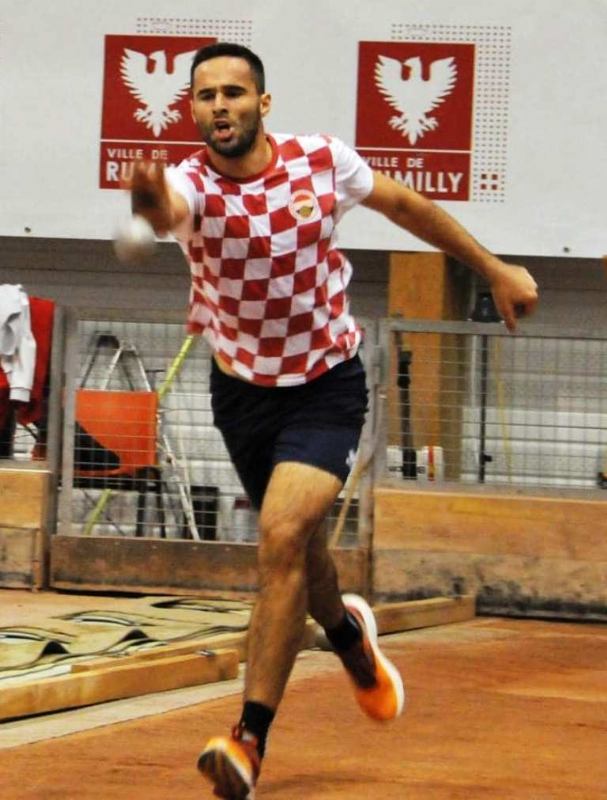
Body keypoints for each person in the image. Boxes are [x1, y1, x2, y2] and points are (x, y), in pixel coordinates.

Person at [127, 42, 538, 800]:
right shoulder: (189, 185)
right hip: (241, 395)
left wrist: (493, 267)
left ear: (262, 103)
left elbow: (407, 206)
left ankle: (248, 739)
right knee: (301, 555)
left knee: (281, 536)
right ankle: (348, 637)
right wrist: (148, 202)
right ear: (192, 111)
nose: (220, 106)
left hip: (325, 384)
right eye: (206, 96)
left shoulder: (320, 161)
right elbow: (167, 211)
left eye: (233, 93)